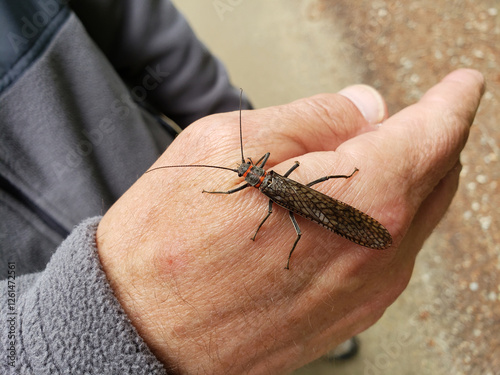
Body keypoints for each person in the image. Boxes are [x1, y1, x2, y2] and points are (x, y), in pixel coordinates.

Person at [0, 1, 484, 374]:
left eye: (247, 173)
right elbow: (264, 207)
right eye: (245, 177)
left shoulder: (269, 185)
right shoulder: (263, 187)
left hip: (313, 202)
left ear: (255, 175)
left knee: (316, 206)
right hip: (302, 204)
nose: (246, 176)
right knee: (298, 228)